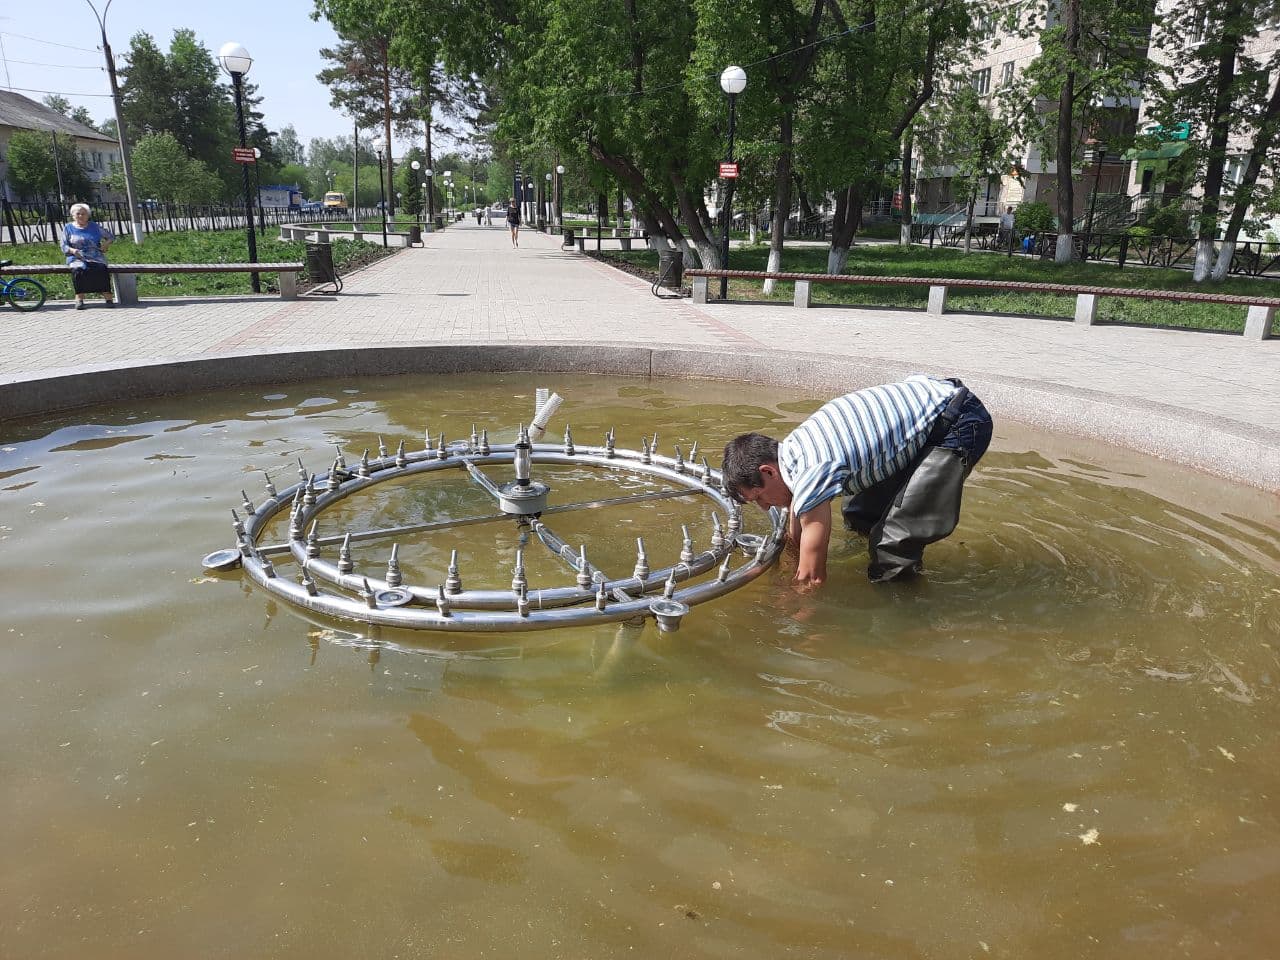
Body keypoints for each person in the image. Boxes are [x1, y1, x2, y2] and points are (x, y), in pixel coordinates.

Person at [721, 374, 992, 585]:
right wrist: (792, 555)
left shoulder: (811, 472)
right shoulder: (793, 451)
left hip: (956, 422)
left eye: (759, 497)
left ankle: (901, 612)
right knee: (859, 514)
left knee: (893, 544)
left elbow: (813, 579)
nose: (765, 507)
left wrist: (793, 613)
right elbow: (797, 516)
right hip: (932, 409)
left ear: (769, 471)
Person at [61, 203, 115, 310]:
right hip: (76, 256)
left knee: (101, 269)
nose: (80, 216)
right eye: (78, 214)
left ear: (88, 215)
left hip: (95, 256)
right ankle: (79, 299)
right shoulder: (68, 228)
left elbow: (111, 236)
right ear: (73, 215)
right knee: (78, 270)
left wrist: (105, 244)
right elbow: (63, 245)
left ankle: (108, 298)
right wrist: (72, 250)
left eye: (83, 214)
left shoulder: (94, 226)